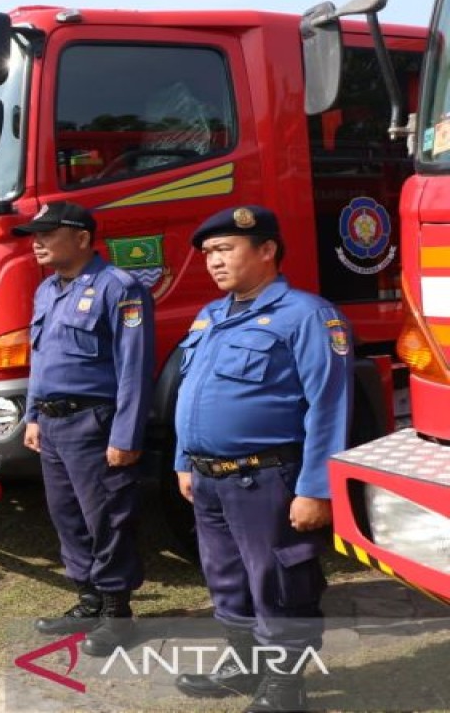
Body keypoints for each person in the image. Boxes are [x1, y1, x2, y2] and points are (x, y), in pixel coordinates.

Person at [171, 205, 351, 712]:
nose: (213, 262)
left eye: (225, 249)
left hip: (266, 479)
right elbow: (193, 391)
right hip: (208, 479)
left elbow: (329, 404)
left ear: (267, 250)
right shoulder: (211, 315)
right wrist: (184, 460)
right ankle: (246, 666)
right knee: (226, 580)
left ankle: (285, 688)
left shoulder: (309, 315)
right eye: (208, 253)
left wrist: (315, 488)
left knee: (278, 581)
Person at [19, 202, 154, 657]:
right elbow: (40, 359)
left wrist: (126, 435)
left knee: (107, 518)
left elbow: (134, 368)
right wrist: (32, 416)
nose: (36, 242)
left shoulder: (120, 288)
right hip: (53, 425)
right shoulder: (46, 291)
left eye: (47, 233)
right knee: (67, 518)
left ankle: (118, 614)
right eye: (34, 234)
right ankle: (89, 600)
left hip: (94, 423)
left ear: (81, 238)